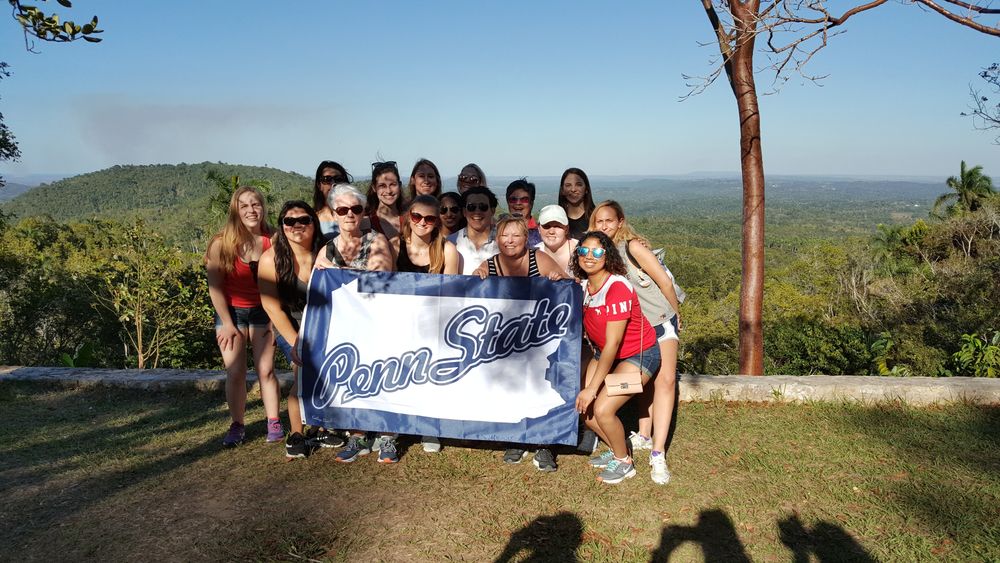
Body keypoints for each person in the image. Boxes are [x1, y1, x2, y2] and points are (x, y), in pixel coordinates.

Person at [591, 200, 681, 485]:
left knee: (665, 381)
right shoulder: (601, 253)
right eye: (598, 222)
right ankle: (643, 434)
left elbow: (664, 281)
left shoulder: (633, 247)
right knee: (645, 380)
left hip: (660, 320)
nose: (604, 226)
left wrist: (677, 314)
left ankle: (658, 452)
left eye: (608, 221)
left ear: (620, 221)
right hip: (637, 329)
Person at [473, 216, 566, 472]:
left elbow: (567, 289)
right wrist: (476, 276)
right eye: (504, 235)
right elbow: (470, 296)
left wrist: (557, 278)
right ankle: (517, 438)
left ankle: (543, 443)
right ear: (497, 238)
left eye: (516, 235)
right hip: (506, 341)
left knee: (542, 390)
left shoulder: (539, 259)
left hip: (539, 339)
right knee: (513, 390)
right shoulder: (490, 265)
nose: (510, 240)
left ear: (526, 238)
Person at [313, 184, 398, 462]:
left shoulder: (376, 241)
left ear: (364, 212)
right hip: (344, 328)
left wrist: (337, 273)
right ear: (334, 213)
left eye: (356, 209)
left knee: (383, 377)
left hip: (378, 323)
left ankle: (387, 436)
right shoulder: (326, 250)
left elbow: (381, 278)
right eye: (342, 209)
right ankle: (357, 435)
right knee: (351, 379)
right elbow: (317, 290)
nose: (350, 214)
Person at [572, 230, 661, 485]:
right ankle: (615, 449)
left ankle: (624, 463)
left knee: (602, 408)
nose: (590, 256)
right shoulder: (584, 286)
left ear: (607, 255)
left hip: (640, 356)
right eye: (584, 250)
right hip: (605, 355)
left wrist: (591, 388)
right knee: (585, 412)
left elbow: (613, 343)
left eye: (597, 251)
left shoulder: (617, 286)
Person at [256, 201, 339, 458]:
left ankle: (320, 427)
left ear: (314, 223)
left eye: (303, 219)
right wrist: (296, 342)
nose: (297, 226)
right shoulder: (271, 259)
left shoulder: (328, 251)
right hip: (289, 324)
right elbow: (271, 307)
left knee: (327, 374)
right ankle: (296, 434)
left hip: (323, 323)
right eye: (289, 221)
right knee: (302, 374)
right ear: (282, 227)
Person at [204, 186, 280, 447]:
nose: (251, 210)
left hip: (264, 311)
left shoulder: (275, 239)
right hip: (231, 312)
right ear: (235, 210)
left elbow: (281, 282)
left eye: (255, 204)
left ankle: (273, 422)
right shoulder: (221, 243)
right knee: (235, 372)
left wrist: (276, 319)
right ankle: (237, 424)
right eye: (244, 205)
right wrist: (226, 323)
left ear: (263, 207)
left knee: (266, 370)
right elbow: (214, 287)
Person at [396, 195, 460, 453]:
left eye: (430, 218)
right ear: (408, 217)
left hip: (433, 323)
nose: (422, 222)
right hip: (400, 322)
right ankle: (396, 425)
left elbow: (453, 292)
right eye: (417, 216)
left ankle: (429, 426)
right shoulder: (393, 246)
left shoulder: (447, 250)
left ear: (437, 221)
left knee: (430, 376)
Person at [448, 186, 500, 275]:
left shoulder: (505, 242)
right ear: (464, 212)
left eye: (483, 207)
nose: (477, 211)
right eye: (471, 207)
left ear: (492, 211)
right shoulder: (451, 242)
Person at [365, 160, 405, 253]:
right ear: (374, 188)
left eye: (393, 185)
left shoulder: (409, 221)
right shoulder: (366, 223)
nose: (389, 191)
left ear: (400, 185)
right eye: (382, 185)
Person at [534, 204, 578, 276]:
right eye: (546, 226)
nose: (551, 231)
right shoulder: (533, 254)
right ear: (539, 229)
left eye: (557, 226)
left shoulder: (580, 250)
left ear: (566, 229)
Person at [310, 160, 350, 239]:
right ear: (319, 185)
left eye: (338, 179)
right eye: (327, 179)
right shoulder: (311, 219)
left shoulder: (357, 213)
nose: (333, 183)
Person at [559, 167, 597, 240]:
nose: (573, 189)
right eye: (568, 185)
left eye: (579, 184)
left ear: (586, 189)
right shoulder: (556, 218)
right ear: (562, 191)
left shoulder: (596, 217)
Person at [505, 179, 542, 247]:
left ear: (531, 203)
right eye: (513, 200)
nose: (518, 203)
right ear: (508, 202)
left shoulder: (541, 233)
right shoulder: (498, 231)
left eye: (524, 199)